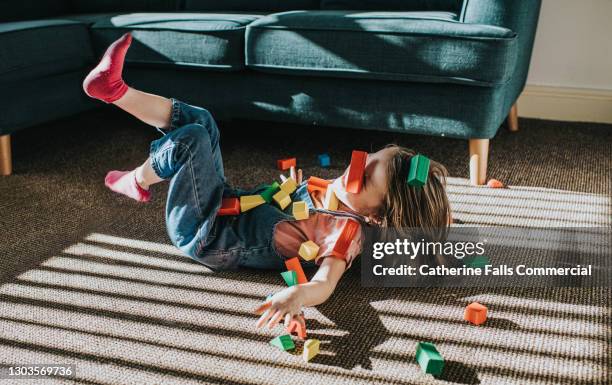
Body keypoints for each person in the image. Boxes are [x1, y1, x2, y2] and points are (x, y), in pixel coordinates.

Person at [83, 33, 452, 330]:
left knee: (193, 140)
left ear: (375, 215)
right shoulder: (333, 193)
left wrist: (295, 298)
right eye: (370, 158)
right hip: (223, 201)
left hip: (206, 234)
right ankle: (114, 89)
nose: (358, 166)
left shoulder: (347, 232)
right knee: (203, 122)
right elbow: (291, 212)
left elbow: (324, 282)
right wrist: (289, 191)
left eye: (368, 176)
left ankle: (138, 180)